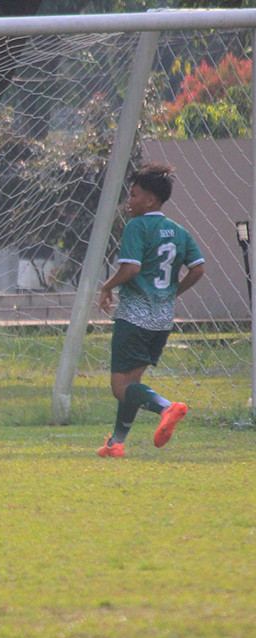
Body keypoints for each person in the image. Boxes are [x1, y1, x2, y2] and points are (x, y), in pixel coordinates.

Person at [97, 162, 205, 458]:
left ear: (150, 200)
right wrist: (173, 291)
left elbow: (131, 269)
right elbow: (198, 268)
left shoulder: (137, 226)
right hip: (162, 321)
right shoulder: (179, 231)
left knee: (120, 387)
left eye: (133, 195)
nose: (128, 201)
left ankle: (166, 408)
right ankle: (116, 443)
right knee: (133, 384)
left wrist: (107, 286)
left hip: (134, 318)